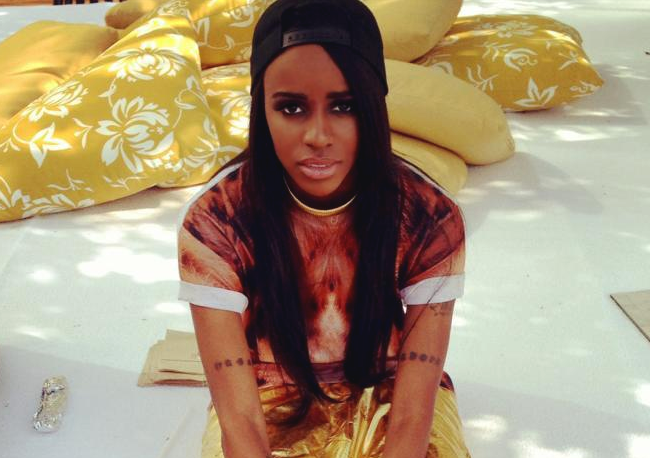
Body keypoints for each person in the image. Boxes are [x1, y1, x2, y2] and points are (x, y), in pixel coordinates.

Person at [177, 0, 470, 456]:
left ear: (373, 107)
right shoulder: (215, 221)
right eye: (292, 108)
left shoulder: (430, 216)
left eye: (344, 106)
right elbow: (240, 420)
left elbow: (413, 416)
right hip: (266, 395)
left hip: (390, 386)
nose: (317, 135)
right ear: (261, 110)